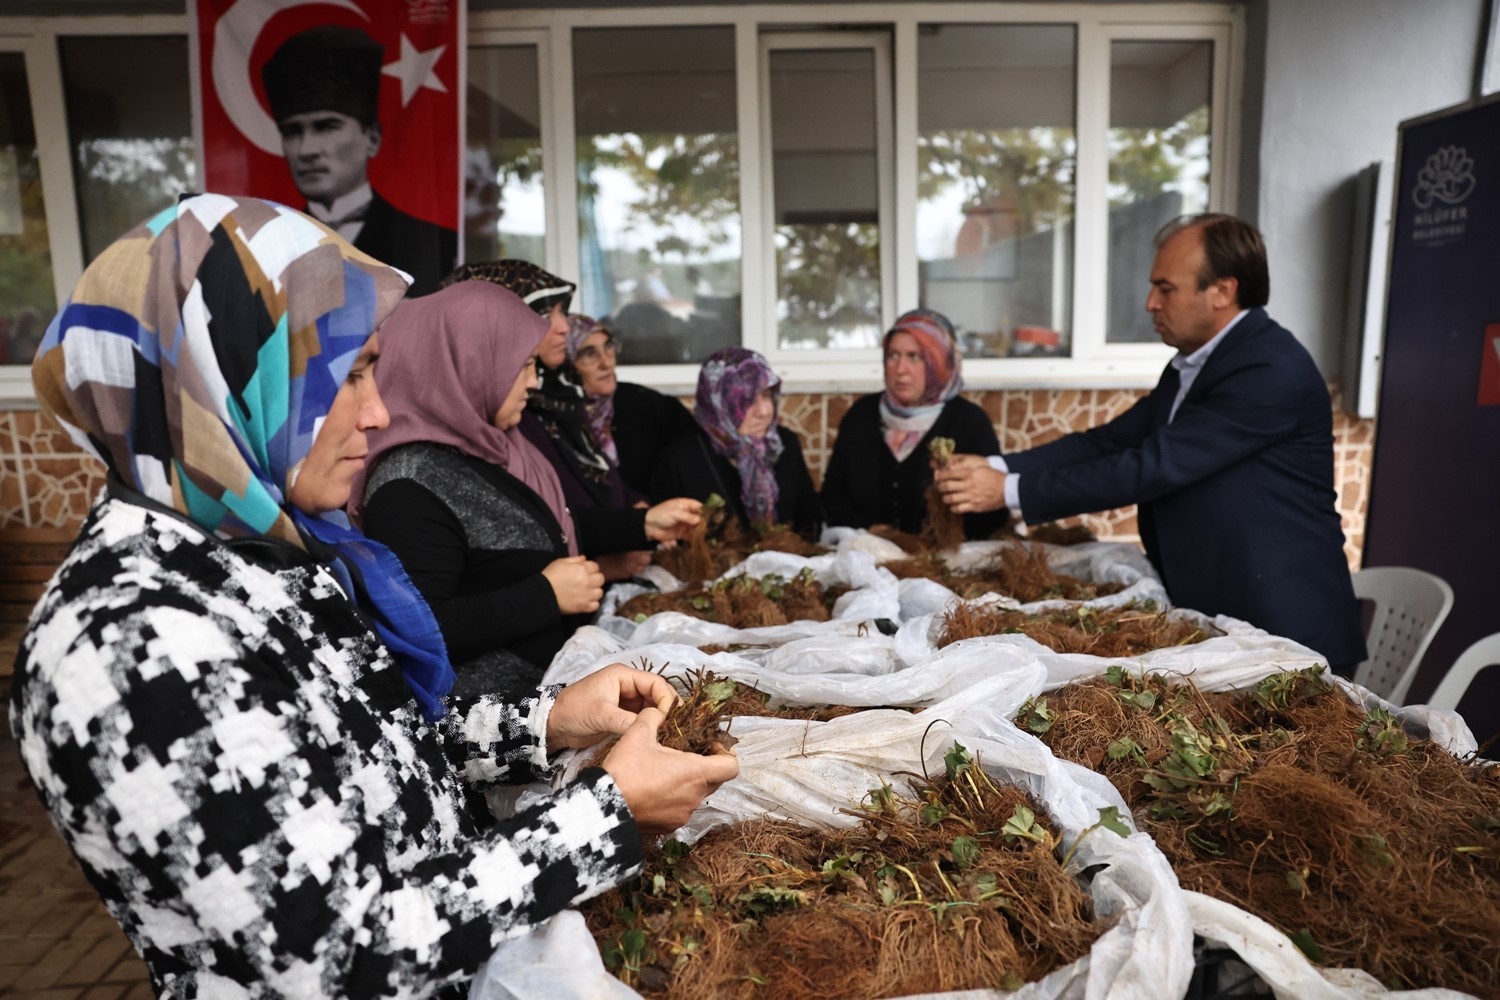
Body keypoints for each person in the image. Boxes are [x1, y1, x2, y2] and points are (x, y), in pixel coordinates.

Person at [12, 194, 735, 997]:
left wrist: (547, 722)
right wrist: (605, 816)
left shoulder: (257, 552)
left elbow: (372, 751)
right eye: (349, 375)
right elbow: (333, 957)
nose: (380, 412)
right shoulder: (127, 641)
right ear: (224, 379)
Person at [936, 213, 1366, 669]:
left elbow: (1150, 466)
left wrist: (1007, 493)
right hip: (1227, 617)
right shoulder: (1192, 365)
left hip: (1285, 628)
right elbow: (1108, 442)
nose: (1149, 304)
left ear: (1222, 291)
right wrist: (998, 467)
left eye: (1166, 288)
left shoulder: (1269, 369)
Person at [356, 281, 702, 698]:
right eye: (521, 366)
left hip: (554, 698)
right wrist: (546, 596)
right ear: (469, 365)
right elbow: (421, 628)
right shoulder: (408, 483)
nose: (535, 382)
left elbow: (543, 531)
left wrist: (642, 523)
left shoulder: (493, 446)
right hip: (498, 730)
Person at [262, 24, 457, 296]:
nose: (306, 150)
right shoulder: (265, 250)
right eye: (292, 131)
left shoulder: (436, 244)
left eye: (326, 127)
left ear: (373, 139)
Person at [820, 308, 1006, 539]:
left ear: (939, 363)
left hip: (948, 562)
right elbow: (833, 494)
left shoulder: (969, 422)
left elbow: (993, 513)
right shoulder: (860, 416)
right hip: (868, 555)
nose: (900, 370)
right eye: (893, 355)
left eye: (915, 357)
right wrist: (870, 529)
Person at [652, 346, 822, 536]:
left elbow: (810, 522)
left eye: (767, 396)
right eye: (747, 401)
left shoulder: (783, 445)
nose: (764, 412)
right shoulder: (679, 461)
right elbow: (669, 544)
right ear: (718, 403)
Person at [561, 312, 700, 504]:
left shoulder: (644, 404)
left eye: (609, 347)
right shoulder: (558, 421)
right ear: (566, 363)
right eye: (589, 354)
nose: (607, 363)